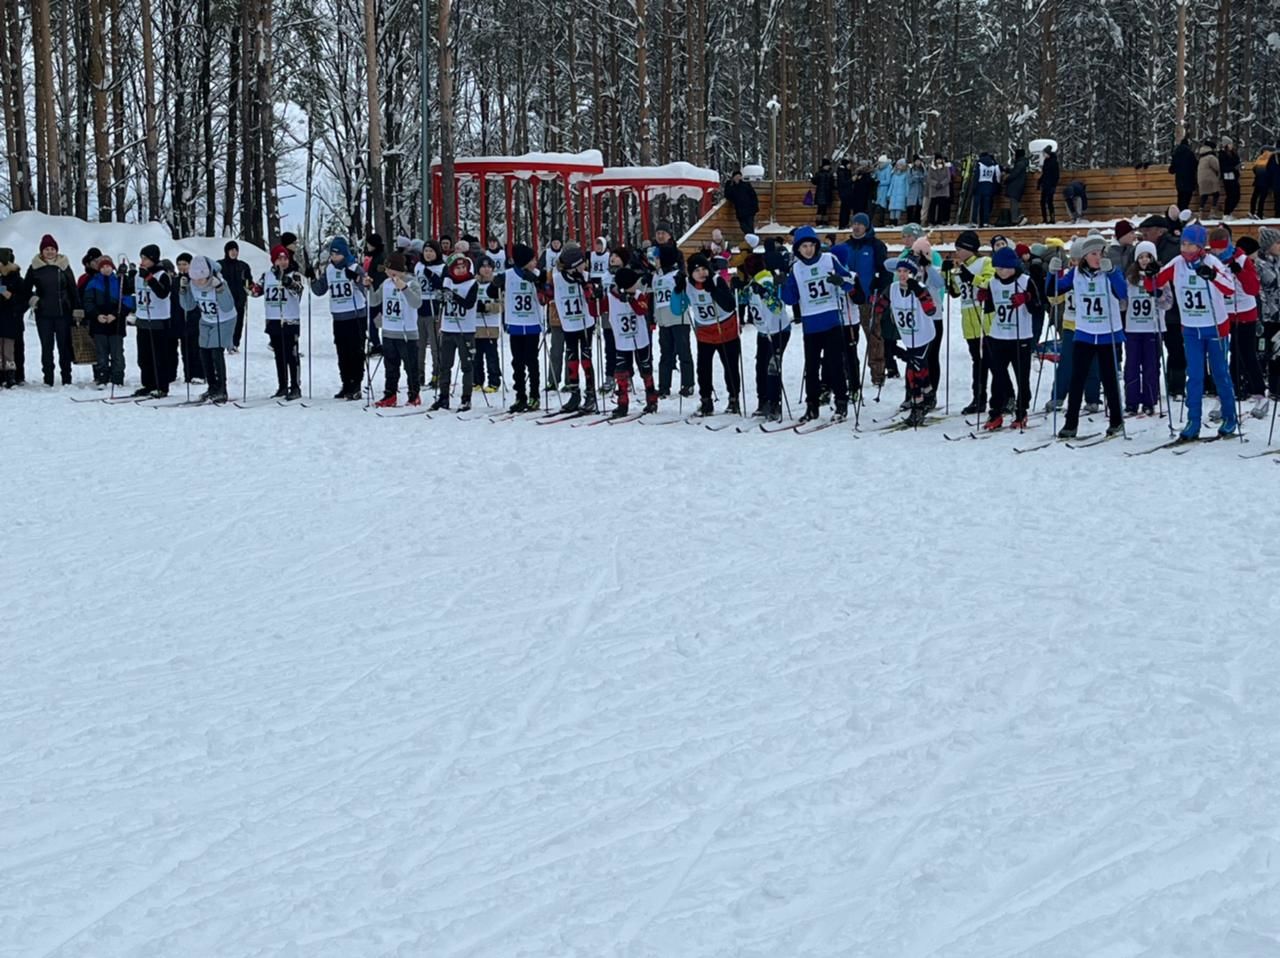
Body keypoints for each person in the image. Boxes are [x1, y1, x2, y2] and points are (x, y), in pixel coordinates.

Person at [1148, 222, 1238, 438]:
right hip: (1190, 328)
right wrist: (1150, 274)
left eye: (1191, 245)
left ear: (1200, 246)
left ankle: (1229, 417)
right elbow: (1154, 284)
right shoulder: (1177, 263)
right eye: (1183, 244)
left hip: (1215, 326)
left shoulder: (1212, 261)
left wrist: (1213, 276)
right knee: (1194, 375)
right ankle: (1193, 422)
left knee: (1220, 374)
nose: (1186, 249)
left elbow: (1230, 289)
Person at [1048, 234, 1126, 439]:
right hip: (1084, 332)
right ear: (1084, 256)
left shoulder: (1111, 272)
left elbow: (1123, 293)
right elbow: (1053, 291)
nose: (1098, 257)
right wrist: (1052, 273)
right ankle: (1070, 423)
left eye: (1102, 253)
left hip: (1108, 333)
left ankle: (1116, 420)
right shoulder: (1075, 274)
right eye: (1093, 253)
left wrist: (1112, 273)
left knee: (1109, 379)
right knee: (1077, 378)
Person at [781, 226, 856, 423]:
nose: (808, 250)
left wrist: (840, 281)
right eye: (803, 246)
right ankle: (812, 406)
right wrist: (783, 283)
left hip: (831, 319)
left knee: (835, 365)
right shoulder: (796, 269)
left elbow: (850, 283)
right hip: (810, 323)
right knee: (812, 368)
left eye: (811, 245)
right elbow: (790, 299)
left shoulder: (829, 260)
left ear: (816, 245)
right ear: (797, 249)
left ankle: (841, 403)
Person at [1209, 227, 1266, 418]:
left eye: (1220, 249)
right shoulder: (1212, 261)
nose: (1217, 253)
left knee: (1246, 353)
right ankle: (1224, 393)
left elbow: (1253, 288)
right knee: (1222, 354)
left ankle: (1259, 393)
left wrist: (1240, 272)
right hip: (1223, 312)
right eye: (1214, 249)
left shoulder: (1242, 258)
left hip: (1244, 311)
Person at [980, 246, 1038, 429]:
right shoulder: (993, 282)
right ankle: (995, 412)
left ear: (1013, 266)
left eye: (1004, 268)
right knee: (998, 376)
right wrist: (983, 297)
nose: (1000, 271)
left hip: (1020, 337)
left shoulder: (1025, 281)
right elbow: (990, 307)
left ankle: (1022, 412)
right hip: (998, 335)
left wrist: (1026, 298)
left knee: (1022, 376)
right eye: (997, 268)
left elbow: (1038, 305)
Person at [877, 258, 937, 426]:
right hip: (908, 336)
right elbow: (880, 306)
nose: (903, 275)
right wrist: (876, 299)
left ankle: (918, 406)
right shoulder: (893, 288)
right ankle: (929, 393)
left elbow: (931, 310)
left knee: (914, 371)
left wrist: (918, 292)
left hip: (923, 335)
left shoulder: (920, 288)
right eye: (900, 271)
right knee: (919, 367)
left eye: (907, 272)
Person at [835, 213, 890, 390]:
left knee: (873, 335)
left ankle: (878, 373)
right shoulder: (846, 246)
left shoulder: (876, 245)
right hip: (849, 298)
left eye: (860, 224)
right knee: (848, 338)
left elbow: (885, 271)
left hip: (869, 297)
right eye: (854, 223)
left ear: (867, 226)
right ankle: (847, 370)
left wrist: (879, 287)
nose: (857, 227)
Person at [309, 236, 368, 400]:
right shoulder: (329, 269)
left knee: (356, 351)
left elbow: (366, 286)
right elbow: (320, 290)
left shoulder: (354, 266)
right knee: (342, 352)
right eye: (332, 254)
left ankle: (356, 384)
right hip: (339, 317)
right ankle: (346, 383)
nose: (334, 257)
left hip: (355, 315)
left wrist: (356, 278)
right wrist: (312, 278)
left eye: (337, 254)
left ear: (344, 253)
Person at [943, 230, 994, 414]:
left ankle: (1004, 397)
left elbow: (990, 283)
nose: (957, 252)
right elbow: (956, 292)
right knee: (977, 362)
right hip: (969, 322)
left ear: (970, 249)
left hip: (985, 320)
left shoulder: (984, 262)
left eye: (960, 248)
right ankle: (978, 398)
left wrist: (971, 278)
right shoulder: (961, 267)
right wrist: (948, 276)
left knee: (992, 362)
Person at [685, 252, 741, 416]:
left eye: (704, 269)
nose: (702, 273)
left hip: (726, 330)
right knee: (703, 369)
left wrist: (714, 291)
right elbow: (677, 307)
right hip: (705, 333)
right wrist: (677, 288)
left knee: (730, 367)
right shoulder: (688, 285)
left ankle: (734, 399)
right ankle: (706, 401)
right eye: (697, 271)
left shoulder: (717, 280)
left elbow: (730, 305)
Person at [22, 233, 80, 387]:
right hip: (44, 314)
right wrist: (34, 300)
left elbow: (73, 288)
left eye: (52, 249)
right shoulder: (35, 267)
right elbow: (25, 289)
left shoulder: (64, 265)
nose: (50, 251)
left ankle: (66, 377)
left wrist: (77, 308)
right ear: (42, 251)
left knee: (64, 347)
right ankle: (48, 378)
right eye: (46, 249)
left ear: (56, 250)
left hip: (63, 313)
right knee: (46, 348)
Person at [178, 255, 237, 403]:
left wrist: (220, 289)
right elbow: (188, 306)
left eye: (201, 279)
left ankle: (222, 389)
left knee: (216, 351)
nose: (198, 282)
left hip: (224, 319)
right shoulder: (192, 284)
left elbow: (228, 305)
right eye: (195, 279)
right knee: (203, 351)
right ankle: (212, 387)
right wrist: (183, 290)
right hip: (206, 319)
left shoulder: (219, 282)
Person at [252, 244, 305, 400]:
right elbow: (256, 292)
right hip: (273, 319)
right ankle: (282, 385)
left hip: (290, 319)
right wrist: (247, 285)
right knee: (279, 355)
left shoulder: (294, 274)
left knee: (291, 354)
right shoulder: (267, 275)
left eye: (285, 259)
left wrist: (286, 281)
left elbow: (298, 289)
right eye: (279, 259)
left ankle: (295, 386)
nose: (282, 262)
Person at [371, 252, 423, 408]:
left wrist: (404, 288)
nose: (388, 273)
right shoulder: (386, 283)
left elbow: (416, 303)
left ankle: (414, 395)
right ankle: (390, 394)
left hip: (407, 333)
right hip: (389, 331)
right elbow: (374, 301)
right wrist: (367, 287)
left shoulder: (412, 283)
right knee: (391, 367)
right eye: (386, 270)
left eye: (390, 270)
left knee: (410, 366)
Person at [604, 267, 658, 418]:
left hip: (640, 340)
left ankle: (652, 399)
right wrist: (592, 297)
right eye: (635, 283)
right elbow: (595, 311)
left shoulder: (640, 295)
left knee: (645, 369)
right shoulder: (611, 298)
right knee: (621, 371)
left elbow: (642, 311)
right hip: (622, 341)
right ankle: (622, 403)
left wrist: (631, 299)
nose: (638, 285)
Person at [550, 244, 597, 413]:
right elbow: (546, 294)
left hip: (585, 324)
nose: (584, 266)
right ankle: (574, 393)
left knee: (585, 358)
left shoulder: (587, 276)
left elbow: (592, 299)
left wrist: (585, 285)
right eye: (581, 263)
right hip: (569, 325)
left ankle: (591, 394)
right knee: (571, 358)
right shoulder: (557, 278)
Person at [1123, 241, 1167, 416]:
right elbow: (1123, 301)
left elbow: (1169, 302)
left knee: (1151, 366)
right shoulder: (1130, 278)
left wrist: (1160, 296)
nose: (1144, 260)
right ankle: (1131, 401)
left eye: (1147, 257)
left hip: (1152, 327)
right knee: (1132, 366)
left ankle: (1149, 400)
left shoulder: (1160, 276)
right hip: (1133, 328)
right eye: (1140, 257)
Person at [433, 253, 479, 411]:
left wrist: (453, 296)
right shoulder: (447, 281)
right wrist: (440, 297)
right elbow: (440, 299)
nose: (460, 270)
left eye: (463, 267)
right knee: (445, 365)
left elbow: (469, 303)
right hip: (448, 328)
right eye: (457, 268)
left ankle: (466, 398)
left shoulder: (472, 283)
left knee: (467, 365)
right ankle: (443, 397)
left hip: (465, 329)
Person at [502, 243, 543, 413]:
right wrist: (495, 284)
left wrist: (539, 284)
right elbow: (491, 290)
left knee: (532, 361)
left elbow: (545, 294)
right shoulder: (509, 275)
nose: (535, 263)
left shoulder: (538, 274)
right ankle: (520, 395)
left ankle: (535, 395)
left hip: (532, 323)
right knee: (517, 362)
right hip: (516, 324)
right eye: (532, 260)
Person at [129, 244, 174, 397]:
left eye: (146, 258)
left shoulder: (162, 275)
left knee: (159, 357)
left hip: (158, 321)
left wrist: (149, 278)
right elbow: (130, 290)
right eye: (142, 258)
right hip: (142, 320)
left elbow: (163, 293)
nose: (143, 261)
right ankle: (148, 384)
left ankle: (161, 386)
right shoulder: (138, 275)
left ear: (154, 260)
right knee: (144, 357)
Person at [83, 255, 133, 389]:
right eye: (103, 266)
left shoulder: (120, 281)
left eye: (108, 266)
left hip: (116, 324)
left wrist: (116, 315)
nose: (106, 269)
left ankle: (117, 378)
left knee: (117, 352)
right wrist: (96, 315)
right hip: (99, 323)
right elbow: (87, 302)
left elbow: (128, 301)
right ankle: (102, 377)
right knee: (101, 352)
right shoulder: (93, 282)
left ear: (113, 268)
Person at [651, 245, 694, 400]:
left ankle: (687, 384)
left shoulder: (677, 275)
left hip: (678, 319)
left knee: (683, 352)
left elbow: (688, 291)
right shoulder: (656, 276)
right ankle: (664, 386)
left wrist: (683, 283)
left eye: (657, 258)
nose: (655, 261)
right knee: (665, 354)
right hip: (663, 321)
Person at [1256, 227, 1280, 401]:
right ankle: (1261, 384)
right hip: (1266, 315)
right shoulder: (1259, 264)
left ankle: (1276, 386)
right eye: (1277, 243)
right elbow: (1259, 291)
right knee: (1265, 350)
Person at [472, 256, 502, 394]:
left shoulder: (496, 284)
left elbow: (502, 305)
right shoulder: (473, 284)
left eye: (489, 267)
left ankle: (494, 381)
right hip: (474, 325)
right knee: (475, 355)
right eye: (483, 267)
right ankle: (477, 380)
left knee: (491, 355)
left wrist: (487, 307)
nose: (486, 269)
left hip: (490, 325)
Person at [173, 253, 203, 385]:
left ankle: (199, 373)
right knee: (185, 349)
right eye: (179, 264)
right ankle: (188, 374)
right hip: (180, 318)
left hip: (194, 317)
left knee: (196, 347)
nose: (181, 267)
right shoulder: (175, 280)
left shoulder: (196, 280)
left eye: (184, 264)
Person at [218, 240, 252, 353]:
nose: (234, 252)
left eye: (236, 250)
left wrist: (250, 287)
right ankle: (224, 342)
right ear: (226, 251)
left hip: (240, 299)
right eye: (231, 250)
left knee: (238, 322)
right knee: (225, 322)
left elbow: (249, 281)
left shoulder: (243, 266)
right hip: (224, 299)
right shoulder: (220, 265)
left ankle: (234, 343)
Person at [0, 248, 23, 387]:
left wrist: (9, 295)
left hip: (11, 319)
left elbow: (22, 298)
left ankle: (11, 374)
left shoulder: (16, 279)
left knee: (10, 349)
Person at [363, 233, 386, 355]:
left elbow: (381, 274)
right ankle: (375, 341)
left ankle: (377, 342)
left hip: (378, 291)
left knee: (376, 317)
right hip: (373, 291)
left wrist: (371, 280)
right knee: (374, 318)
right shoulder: (371, 256)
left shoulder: (380, 257)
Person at [724, 169, 759, 237]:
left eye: (739, 176)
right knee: (743, 226)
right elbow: (727, 195)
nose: (737, 177)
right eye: (736, 176)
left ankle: (751, 241)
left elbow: (753, 196)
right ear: (733, 177)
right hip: (740, 210)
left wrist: (755, 207)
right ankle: (752, 239)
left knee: (750, 226)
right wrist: (729, 184)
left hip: (749, 209)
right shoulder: (731, 186)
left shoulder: (746, 185)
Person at [1169, 137, 1198, 210]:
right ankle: (1184, 214)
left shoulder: (1176, 154)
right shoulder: (1190, 153)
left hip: (1179, 181)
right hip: (1189, 179)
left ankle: (1179, 213)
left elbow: (1172, 170)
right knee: (1187, 198)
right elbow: (1195, 165)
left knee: (1180, 197)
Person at [974, 150, 1000, 227]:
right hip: (989, 185)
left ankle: (975, 221)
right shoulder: (993, 165)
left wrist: (974, 188)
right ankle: (986, 221)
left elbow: (976, 176)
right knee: (986, 205)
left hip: (980, 185)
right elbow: (996, 177)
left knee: (977, 205)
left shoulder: (979, 164)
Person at [1196, 140, 1222, 218]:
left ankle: (1200, 212)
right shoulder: (1211, 157)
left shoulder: (1201, 157)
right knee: (1216, 194)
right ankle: (1213, 212)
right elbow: (1217, 167)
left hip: (1201, 179)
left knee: (1204, 195)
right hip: (1210, 179)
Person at [1005, 148, 1028, 226]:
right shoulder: (1022, 163)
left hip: (1016, 186)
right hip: (1018, 185)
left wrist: (1006, 180)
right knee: (1015, 202)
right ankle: (1017, 217)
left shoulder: (1020, 163)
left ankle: (1016, 219)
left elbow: (1015, 173)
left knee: (1014, 202)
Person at [925, 155, 951, 225]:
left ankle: (940, 220)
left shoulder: (946, 167)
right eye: (937, 160)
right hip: (934, 189)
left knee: (942, 206)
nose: (939, 161)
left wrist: (942, 184)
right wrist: (936, 184)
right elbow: (929, 178)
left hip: (943, 189)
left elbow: (948, 178)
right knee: (932, 206)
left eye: (940, 159)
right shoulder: (931, 168)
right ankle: (931, 221)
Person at [1219, 138, 1242, 216]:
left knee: (1236, 196)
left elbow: (1236, 161)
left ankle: (1229, 212)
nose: (1231, 146)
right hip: (1227, 177)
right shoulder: (1222, 155)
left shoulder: (1233, 153)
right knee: (1231, 196)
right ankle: (1227, 212)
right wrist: (1234, 168)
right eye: (1230, 144)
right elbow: (1223, 167)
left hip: (1234, 177)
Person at [811, 158, 835, 227]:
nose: (828, 167)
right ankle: (820, 222)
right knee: (821, 209)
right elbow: (814, 181)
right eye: (827, 165)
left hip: (823, 193)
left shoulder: (822, 173)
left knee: (823, 209)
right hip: (823, 194)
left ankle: (822, 222)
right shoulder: (825, 174)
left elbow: (832, 184)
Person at [1039, 146, 1061, 223]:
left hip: (1050, 185)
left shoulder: (1054, 162)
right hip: (1045, 184)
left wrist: (1053, 185)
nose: (1043, 155)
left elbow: (1056, 175)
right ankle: (1044, 219)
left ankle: (1052, 218)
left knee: (1049, 202)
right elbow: (1044, 173)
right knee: (1042, 202)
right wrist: (1040, 182)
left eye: (1044, 153)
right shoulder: (1046, 161)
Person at [886, 159, 909, 226]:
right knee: (892, 210)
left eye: (901, 165)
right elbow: (891, 185)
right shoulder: (894, 175)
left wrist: (906, 195)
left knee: (898, 210)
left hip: (901, 195)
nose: (899, 166)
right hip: (893, 195)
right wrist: (889, 194)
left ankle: (896, 224)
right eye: (898, 165)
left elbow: (907, 185)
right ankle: (891, 223)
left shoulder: (905, 175)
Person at [873, 155, 893, 226]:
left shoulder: (888, 168)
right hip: (878, 190)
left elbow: (888, 180)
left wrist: (879, 182)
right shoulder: (878, 168)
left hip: (884, 190)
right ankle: (878, 222)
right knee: (878, 207)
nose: (879, 164)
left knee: (882, 207)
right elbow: (875, 176)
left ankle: (881, 223)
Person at [836, 158, 855, 229]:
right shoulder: (841, 172)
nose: (850, 165)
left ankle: (846, 223)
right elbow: (843, 183)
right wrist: (851, 180)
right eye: (848, 164)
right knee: (844, 209)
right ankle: (842, 224)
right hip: (844, 193)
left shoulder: (846, 171)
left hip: (848, 193)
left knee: (847, 209)